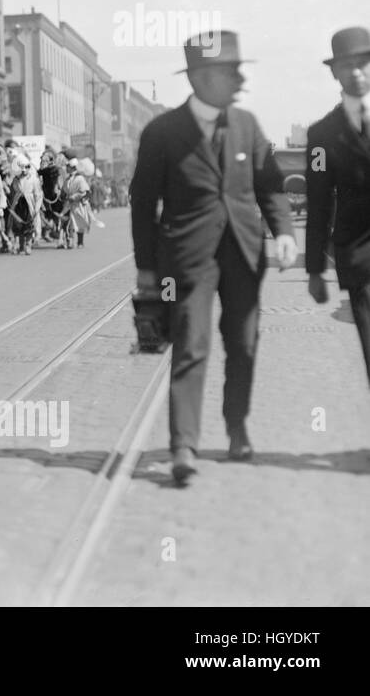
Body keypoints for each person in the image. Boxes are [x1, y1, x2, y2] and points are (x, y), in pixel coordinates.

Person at [129, 31, 296, 486]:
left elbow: (270, 187)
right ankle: (183, 444)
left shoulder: (247, 124)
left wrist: (283, 232)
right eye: (230, 72)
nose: (240, 80)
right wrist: (147, 268)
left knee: (243, 344)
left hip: (243, 252)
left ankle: (237, 424)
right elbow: (143, 204)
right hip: (187, 258)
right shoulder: (162, 133)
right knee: (191, 344)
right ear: (201, 78)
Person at [305, 26, 370, 383]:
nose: (357, 73)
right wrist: (315, 269)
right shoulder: (321, 136)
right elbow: (317, 204)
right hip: (361, 258)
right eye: (347, 66)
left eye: (363, 63)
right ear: (334, 72)